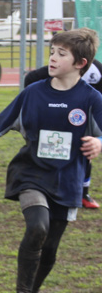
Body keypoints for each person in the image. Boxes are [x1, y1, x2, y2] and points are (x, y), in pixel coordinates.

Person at [0, 28, 102, 293]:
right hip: (30, 173)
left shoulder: (91, 98)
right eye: (52, 52)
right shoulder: (33, 92)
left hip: (68, 180)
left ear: (81, 63)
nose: (53, 58)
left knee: (51, 245)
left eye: (61, 53)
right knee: (38, 227)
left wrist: (98, 142)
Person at [24, 57, 102, 209]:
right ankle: (41, 188)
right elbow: (31, 79)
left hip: (82, 117)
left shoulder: (96, 70)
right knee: (50, 152)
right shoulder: (60, 68)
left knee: (84, 152)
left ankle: (83, 194)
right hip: (55, 116)